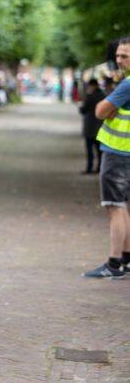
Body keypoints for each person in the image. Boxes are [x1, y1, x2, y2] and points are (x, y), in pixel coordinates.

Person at [84, 37, 130, 278]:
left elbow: (101, 110)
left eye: (125, 56)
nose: (119, 60)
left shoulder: (127, 84)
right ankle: (126, 259)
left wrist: (109, 106)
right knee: (123, 208)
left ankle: (114, 264)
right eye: (118, 55)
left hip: (119, 152)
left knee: (115, 207)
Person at [79, 79, 105, 174]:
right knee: (99, 150)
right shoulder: (103, 96)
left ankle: (89, 168)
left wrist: (81, 107)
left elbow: (83, 110)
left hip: (90, 127)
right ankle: (99, 168)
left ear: (92, 85)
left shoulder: (89, 96)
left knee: (89, 150)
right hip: (100, 127)